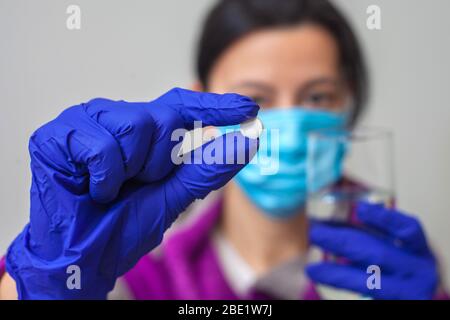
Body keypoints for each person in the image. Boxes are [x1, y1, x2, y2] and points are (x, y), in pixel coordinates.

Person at [0, 0, 447, 300]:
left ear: (347, 103)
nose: (287, 127)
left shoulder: (391, 263)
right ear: (203, 104)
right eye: (258, 99)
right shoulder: (135, 268)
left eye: (316, 98)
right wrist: (47, 277)